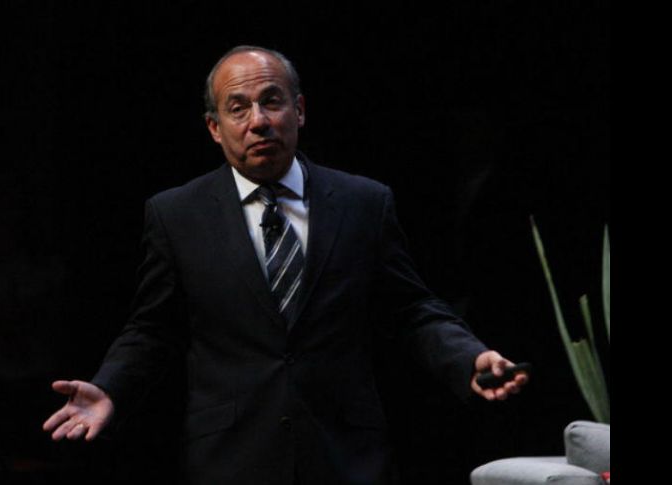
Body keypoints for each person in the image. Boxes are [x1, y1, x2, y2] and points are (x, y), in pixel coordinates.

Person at [43, 45, 528, 485]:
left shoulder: (362, 202)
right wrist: (110, 389)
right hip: (231, 458)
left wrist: (466, 357)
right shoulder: (177, 215)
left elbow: (412, 308)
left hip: (347, 455)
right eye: (238, 108)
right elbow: (152, 329)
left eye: (272, 101)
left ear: (299, 110)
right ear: (214, 128)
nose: (259, 121)